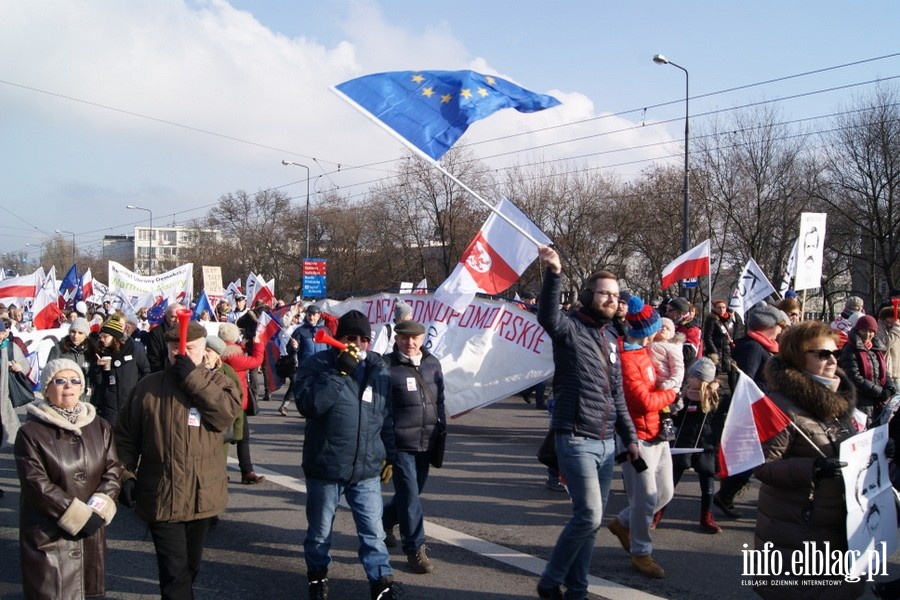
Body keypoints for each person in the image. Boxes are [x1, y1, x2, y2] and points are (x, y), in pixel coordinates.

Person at [534, 245, 639, 600]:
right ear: (586, 296)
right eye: (604, 293)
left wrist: (631, 438)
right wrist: (553, 274)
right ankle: (550, 581)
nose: (611, 299)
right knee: (590, 516)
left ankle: (577, 591)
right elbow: (547, 317)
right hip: (575, 436)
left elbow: (618, 394)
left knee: (590, 524)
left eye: (615, 294)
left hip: (608, 443)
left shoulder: (612, 337)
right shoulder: (570, 328)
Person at [114, 321, 241, 600]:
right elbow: (124, 437)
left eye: (189, 349)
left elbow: (225, 416)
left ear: (204, 350)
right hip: (161, 496)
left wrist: (192, 378)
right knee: (174, 572)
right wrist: (125, 475)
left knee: (189, 567)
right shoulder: (147, 388)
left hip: (201, 494)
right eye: (175, 349)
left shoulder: (218, 381)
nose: (180, 354)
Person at [752, 320, 864, 598]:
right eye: (822, 354)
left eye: (835, 353)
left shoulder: (838, 398)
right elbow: (762, 466)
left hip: (840, 523)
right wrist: (812, 469)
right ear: (797, 357)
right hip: (798, 527)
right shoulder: (778, 404)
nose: (832, 360)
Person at [295, 309, 401, 600]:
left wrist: (389, 454)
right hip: (326, 466)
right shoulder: (317, 365)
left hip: (365, 469)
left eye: (364, 338)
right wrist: (339, 372)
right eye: (350, 337)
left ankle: (381, 583)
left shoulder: (378, 369)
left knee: (373, 534)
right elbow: (309, 405)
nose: (358, 343)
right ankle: (317, 577)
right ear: (337, 339)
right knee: (319, 533)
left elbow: (385, 416)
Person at [14, 358, 124, 599]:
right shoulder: (30, 433)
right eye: (60, 381)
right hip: (48, 537)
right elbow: (36, 484)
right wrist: (77, 516)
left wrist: (98, 508)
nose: (68, 386)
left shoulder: (100, 426)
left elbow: (113, 469)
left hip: (91, 535)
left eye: (75, 381)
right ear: (46, 388)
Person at [606, 296, 677, 579]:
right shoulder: (626, 359)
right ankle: (641, 552)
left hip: (657, 432)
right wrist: (673, 393)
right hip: (636, 437)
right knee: (645, 497)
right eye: (655, 328)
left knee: (665, 493)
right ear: (646, 330)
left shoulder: (648, 352)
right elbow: (644, 401)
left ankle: (623, 523)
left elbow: (657, 388)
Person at [382, 319, 446, 574]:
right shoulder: (386, 366)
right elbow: (382, 409)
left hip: (426, 441)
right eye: (404, 338)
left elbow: (439, 400)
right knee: (409, 497)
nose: (410, 343)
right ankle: (415, 549)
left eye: (415, 338)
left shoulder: (433, 364)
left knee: (411, 494)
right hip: (400, 444)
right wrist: (387, 445)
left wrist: (440, 430)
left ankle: (383, 521)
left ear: (422, 339)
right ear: (396, 339)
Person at [715, 303, 785, 518]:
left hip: (763, 407)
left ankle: (727, 494)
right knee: (752, 457)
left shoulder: (765, 347)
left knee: (758, 456)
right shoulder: (753, 347)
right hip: (753, 409)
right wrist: (770, 390)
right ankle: (725, 495)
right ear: (769, 326)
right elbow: (745, 380)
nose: (782, 330)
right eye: (779, 325)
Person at [665, 357, 724, 534]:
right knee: (669, 484)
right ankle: (657, 512)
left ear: (703, 380)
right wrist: (668, 439)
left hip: (706, 448)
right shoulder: (683, 397)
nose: (688, 380)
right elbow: (670, 419)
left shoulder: (716, 400)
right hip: (682, 445)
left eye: (693, 377)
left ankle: (706, 517)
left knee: (707, 487)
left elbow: (723, 422)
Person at [218, 322, 266, 484]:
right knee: (240, 440)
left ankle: (244, 471)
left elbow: (237, 350)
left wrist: (242, 345)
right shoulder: (233, 358)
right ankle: (245, 471)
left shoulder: (221, 352)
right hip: (237, 404)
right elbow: (256, 361)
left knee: (229, 439)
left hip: (227, 403)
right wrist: (259, 344)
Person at [89, 313, 151, 425]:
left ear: (115, 336)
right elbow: (99, 382)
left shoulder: (134, 348)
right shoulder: (101, 351)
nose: (102, 339)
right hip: (109, 406)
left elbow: (146, 371)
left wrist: (138, 391)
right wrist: (98, 367)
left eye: (106, 336)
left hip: (131, 403)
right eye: (101, 336)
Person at [839, 314, 894, 426]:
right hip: (860, 401)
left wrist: (889, 386)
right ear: (858, 330)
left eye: (871, 331)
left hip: (877, 401)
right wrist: (879, 392)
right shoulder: (850, 349)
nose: (868, 334)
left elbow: (883, 370)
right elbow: (854, 376)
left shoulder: (875, 349)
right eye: (864, 330)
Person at [280, 303, 329, 416]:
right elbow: (290, 350)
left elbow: (330, 348)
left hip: (323, 368)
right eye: (309, 315)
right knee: (306, 392)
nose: (311, 317)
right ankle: (307, 412)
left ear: (318, 316)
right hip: (307, 368)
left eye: (314, 315)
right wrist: (294, 347)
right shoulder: (300, 331)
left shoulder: (325, 330)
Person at [46, 317, 94, 397]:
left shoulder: (90, 351)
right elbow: (49, 370)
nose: (76, 336)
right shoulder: (59, 348)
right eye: (73, 332)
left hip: (83, 395)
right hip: (63, 393)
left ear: (86, 335)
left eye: (80, 333)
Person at [666, 297, 703, 367]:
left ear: (680, 312)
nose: (667, 313)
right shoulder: (677, 324)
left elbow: (689, 353)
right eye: (667, 310)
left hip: (687, 370)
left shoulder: (691, 328)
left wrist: (666, 348)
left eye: (670, 310)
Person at [145, 303, 182, 373]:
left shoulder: (189, 331)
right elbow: (153, 359)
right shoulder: (156, 333)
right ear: (166, 316)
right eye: (173, 317)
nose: (177, 320)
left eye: (179, 316)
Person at [703, 299, 737, 375]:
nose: (721, 309)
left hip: (727, 350)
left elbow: (733, 333)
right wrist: (714, 351)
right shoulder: (712, 320)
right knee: (715, 373)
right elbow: (707, 337)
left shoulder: (729, 319)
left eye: (723, 307)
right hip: (716, 350)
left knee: (733, 371)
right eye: (719, 307)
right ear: (715, 308)